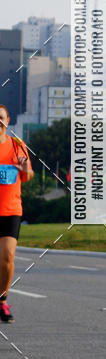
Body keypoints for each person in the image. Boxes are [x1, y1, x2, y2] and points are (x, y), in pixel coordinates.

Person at [0, 104, 34, 324]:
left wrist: (24, 170)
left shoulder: (17, 145)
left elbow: (28, 175)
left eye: (0, 117)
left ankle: (2, 300)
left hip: (11, 209)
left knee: (7, 257)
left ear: (8, 119)